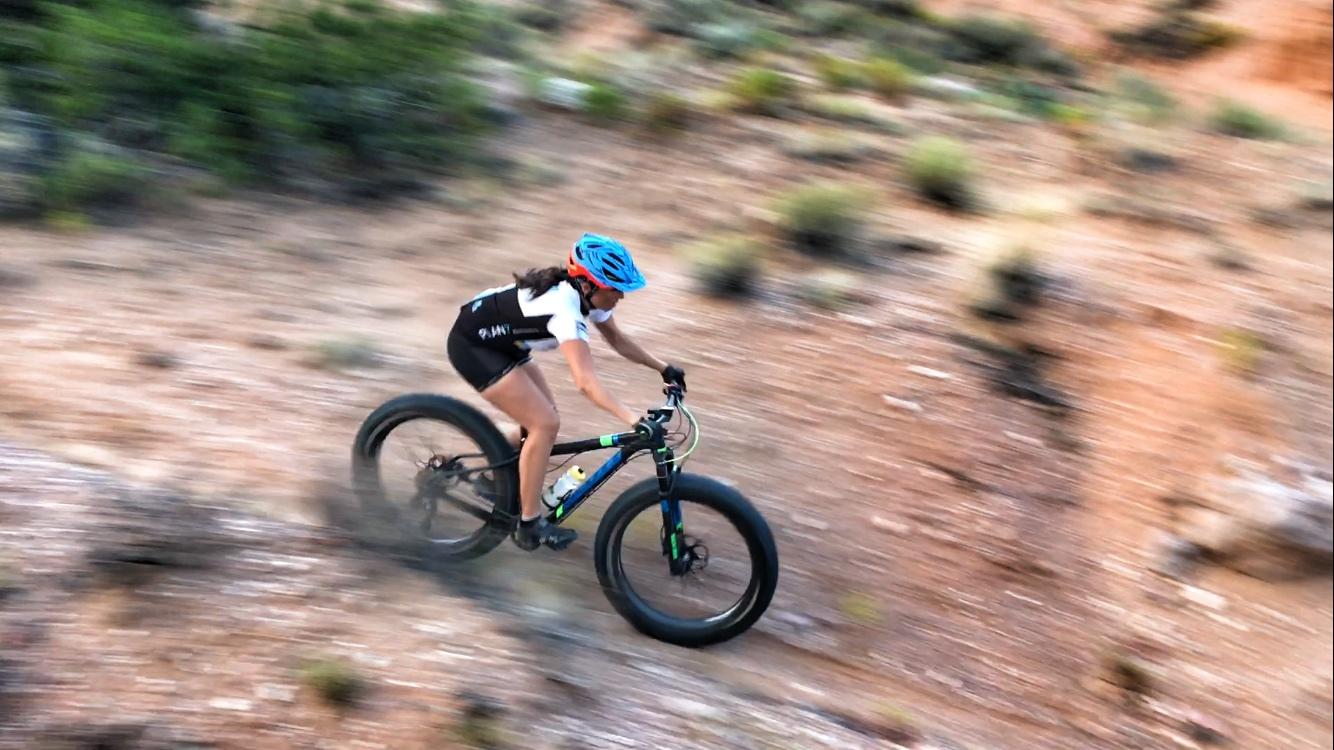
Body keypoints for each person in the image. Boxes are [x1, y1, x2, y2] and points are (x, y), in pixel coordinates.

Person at [446, 233, 687, 551]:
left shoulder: (586, 296)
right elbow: (585, 383)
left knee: (541, 422)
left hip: (506, 345)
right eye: (617, 290)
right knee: (544, 424)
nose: (622, 297)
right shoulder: (565, 309)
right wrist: (633, 419)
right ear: (589, 284)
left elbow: (616, 339)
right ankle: (529, 525)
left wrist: (663, 368)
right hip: (473, 345)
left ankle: (489, 470)